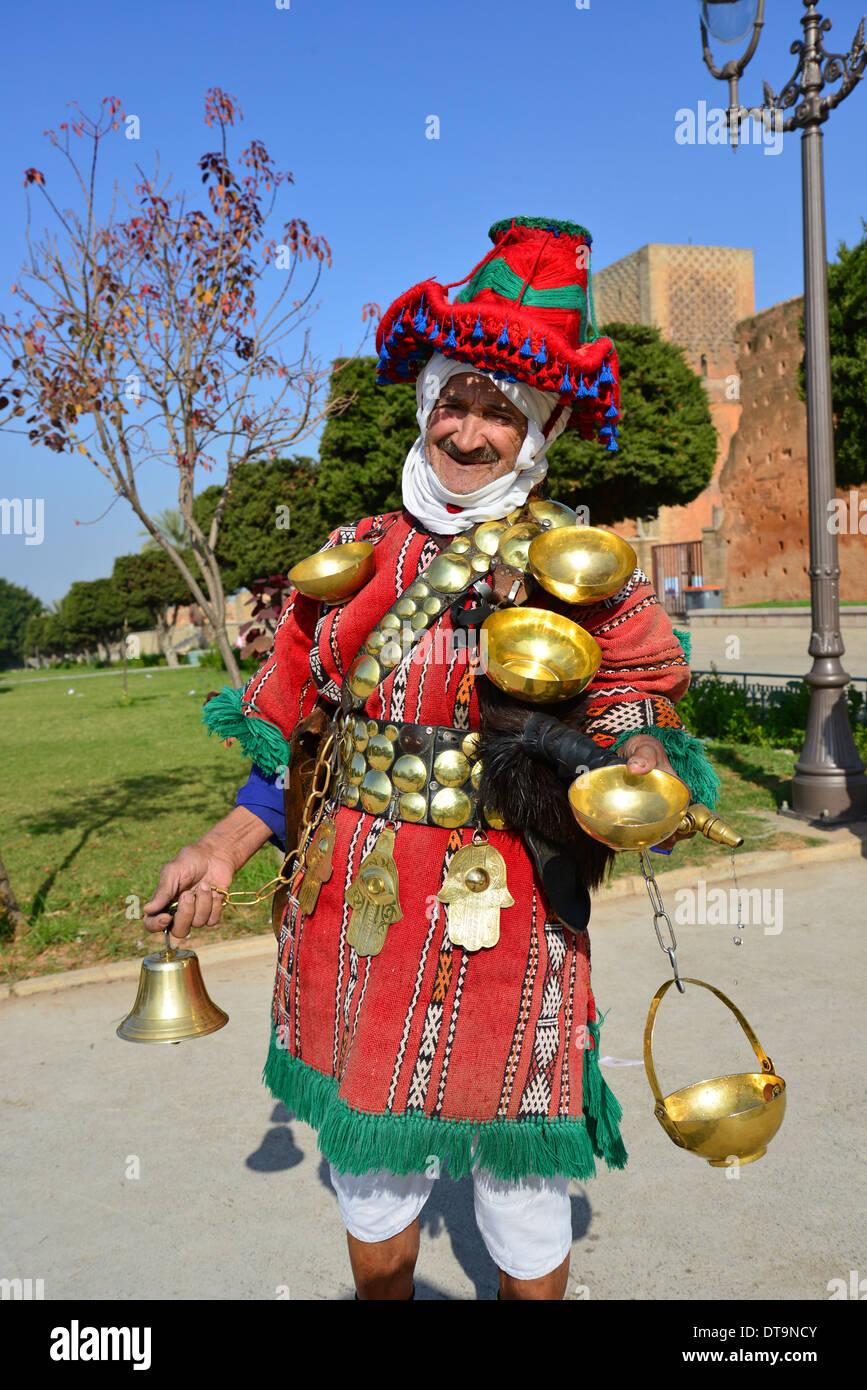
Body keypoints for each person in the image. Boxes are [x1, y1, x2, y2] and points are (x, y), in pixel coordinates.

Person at [143, 216, 719, 1300]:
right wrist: (221, 846)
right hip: (359, 900)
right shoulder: (352, 561)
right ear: (425, 405)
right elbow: (293, 730)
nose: (468, 432)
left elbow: (643, 690)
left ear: (537, 428)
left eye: (500, 412)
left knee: (521, 1188)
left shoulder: (582, 567)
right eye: (454, 400)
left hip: (515, 906)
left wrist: (640, 747)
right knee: (370, 1169)